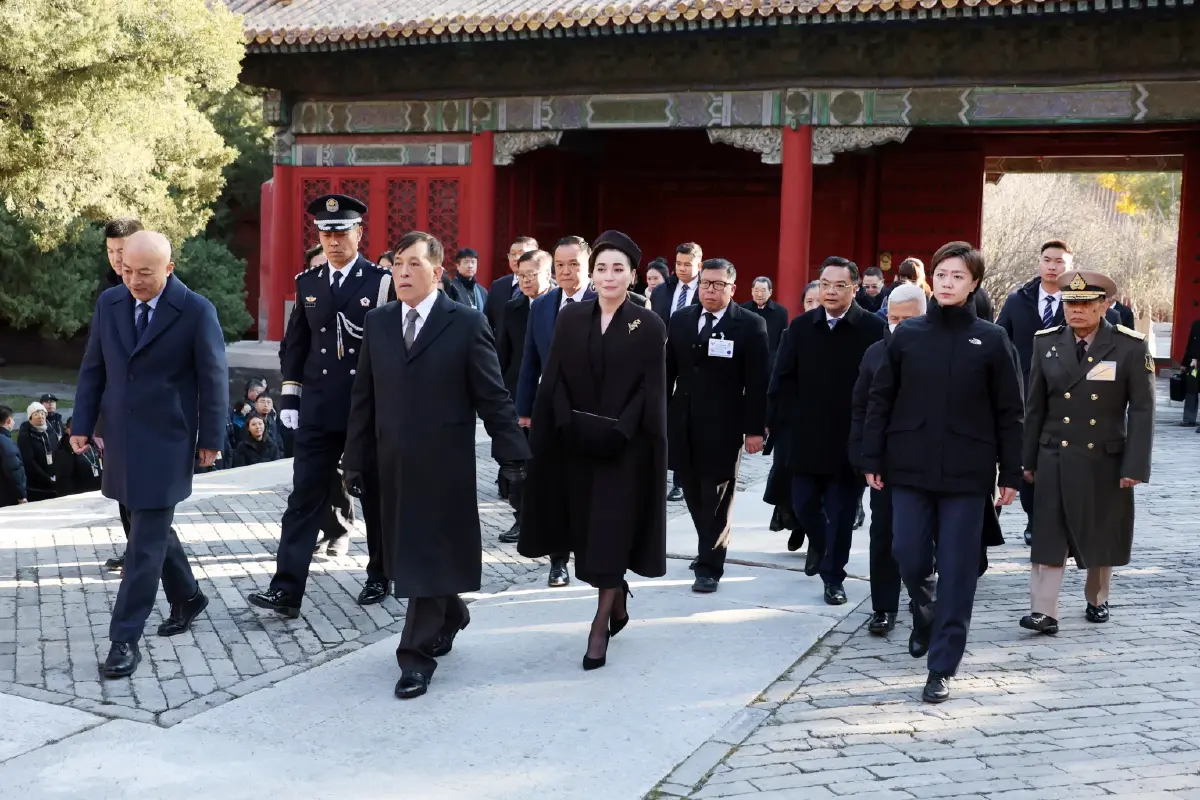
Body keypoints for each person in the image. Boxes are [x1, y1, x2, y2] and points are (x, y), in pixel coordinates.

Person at [344, 230, 530, 699]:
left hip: (444, 466)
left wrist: (514, 455)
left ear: (437, 272)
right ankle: (452, 612)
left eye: (413, 264)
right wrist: (355, 459)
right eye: (397, 264)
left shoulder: (465, 323)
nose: (402, 272)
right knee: (407, 552)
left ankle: (414, 656)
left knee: (425, 553)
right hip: (391, 463)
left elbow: (493, 396)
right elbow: (364, 398)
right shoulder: (379, 322)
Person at [861, 241, 1023, 704]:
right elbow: (880, 399)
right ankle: (925, 608)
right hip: (908, 464)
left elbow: (1011, 411)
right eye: (943, 275)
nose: (949, 283)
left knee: (957, 569)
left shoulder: (992, 339)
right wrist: (872, 457)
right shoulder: (908, 334)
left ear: (974, 283)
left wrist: (1011, 472)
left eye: (959, 276)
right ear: (932, 279)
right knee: (908, 555)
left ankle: (942, 666)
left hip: (967, 473)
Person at [72, 230, 227, 679]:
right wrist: (82, 423)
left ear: (168, 268)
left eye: (144, 272)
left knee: (142, 547)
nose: (134, 281)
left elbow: (214, 378)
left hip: (167, 442)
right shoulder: (110, 303)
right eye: (127, 271)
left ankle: (124, 638)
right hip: (121, 439)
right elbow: (94, 367)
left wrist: (211, 439)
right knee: (145, 529)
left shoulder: (196, 311)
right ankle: (188, 596)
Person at [519, 230, 668, 672]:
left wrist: (621, 432)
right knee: (586, 531)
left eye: (618, 269)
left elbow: (649, 391)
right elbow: (555, 377)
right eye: (602, 268)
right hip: (576, 443)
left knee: (610, 532)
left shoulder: (649, 325)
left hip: (624, 448)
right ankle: (616, 597)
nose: (608, 276)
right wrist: (565, 423)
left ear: (632, 276)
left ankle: (599, 625)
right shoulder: (571, 318)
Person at [249, 193, 396, 616]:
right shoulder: (308, 282)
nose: (333, 241)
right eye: (326, 234)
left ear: (359, 234)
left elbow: (389, 351)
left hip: (364, 409)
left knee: (373, 494)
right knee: (303, 498)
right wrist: (290, 396)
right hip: (316, 407)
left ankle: (380, 573)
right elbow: (296, 344)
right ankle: (286, 589)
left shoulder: (379, 282)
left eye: (342, 232)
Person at [1019, 270, 1155, 635]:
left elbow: (1142, 410)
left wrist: (1135, 465)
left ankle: (1097, 598)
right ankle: (1044, 611)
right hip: (1055, 454)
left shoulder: (1128, 346)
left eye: (1085, 304)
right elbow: (1035, 407)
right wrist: (1027, 460)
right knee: (1048, 534)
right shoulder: (1046, 343)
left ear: (1104, 305)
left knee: (1100, 530)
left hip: (1103, 458)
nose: (1075, 311)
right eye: (1070, 304)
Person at [769, 256, 886, 602]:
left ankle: (833, 577)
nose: (830, 291)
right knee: (803, 506)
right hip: (806, 436)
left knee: (841, 513)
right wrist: (778, 422)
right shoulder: (801, 327)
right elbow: (782, 379)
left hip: (850, 439)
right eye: (825, 284)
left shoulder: (872, 329)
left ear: (855, 288)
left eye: (839, 285)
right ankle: (821, 545)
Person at [667, 258, 769, 593]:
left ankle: (710, 566)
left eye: (718, 284)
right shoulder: (681, 319)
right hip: (683, 420)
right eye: (705, 283)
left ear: (732, 288)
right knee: (692, 491)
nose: (710, 290)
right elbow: (667, 371)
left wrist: (755, 429)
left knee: (717, 495)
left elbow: (757, 382)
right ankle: (706, 546)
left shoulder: (750, 325)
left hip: (725, 424)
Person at [848, 283, 926, 634]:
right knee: (883, 533)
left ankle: (921, 592)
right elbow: (860, 408)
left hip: (928, 461)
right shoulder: (875, 353)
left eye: (907, 320)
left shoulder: (940, 353)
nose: (898, 326)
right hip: (886, 462)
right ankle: (883, 606)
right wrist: (865, 457)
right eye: (893, 319)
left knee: (922, 535)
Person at [997, 239, 1070, 544]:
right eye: (1047, 260)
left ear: (1070, 265)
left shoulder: (1077, 302)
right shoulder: (1018, 300)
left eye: (1059, 261)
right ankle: (1033, 519)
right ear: (1039, 263)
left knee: (1057, 459)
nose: (1052, 266)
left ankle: (1052, 519)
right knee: (1028, 457)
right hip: (1023, 391)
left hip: (1065, 395)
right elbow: (1000, 341)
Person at [95, 217, 144, 571]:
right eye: (110, 250)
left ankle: (143, 555)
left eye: (122, 250)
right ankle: (134, 549)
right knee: (122, 489)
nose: (116, 258)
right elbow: (96, 358)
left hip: (150, 411)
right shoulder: (107, 291)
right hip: (115, 408)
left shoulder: (159, 287)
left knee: (145, 493)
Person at [651, 242, 703, 502]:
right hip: (662, 360)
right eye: (678, 264)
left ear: (699, 265)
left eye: (687, 264)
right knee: (661, 417)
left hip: (691, 363)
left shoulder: (706, 289)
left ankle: (681, 480)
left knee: (685, 421)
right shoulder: (663, 290)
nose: (682, 269)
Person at [483, 236, 538, 340]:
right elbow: (486, 322)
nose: (516, 258)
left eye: (522, 253)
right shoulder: (498, 286)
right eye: (512, 254)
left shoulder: (547, 287)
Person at [741, 276, 789, 368]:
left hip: (771, 363)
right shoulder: (742, 310)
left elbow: (783, 340)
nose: (759, 294)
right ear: (752, 291)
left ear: (770, 292)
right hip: (747, 360)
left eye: (763, 291)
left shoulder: (780, 312)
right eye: (756, 290)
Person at [18, 402, 61, 502]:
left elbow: (57, 452)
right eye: (36, 414)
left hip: (55, 479)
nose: (40, 416)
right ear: (30, 418)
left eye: (42, 413)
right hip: (37, 484)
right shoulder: (25, 435)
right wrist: (46, 478)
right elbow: (29, 461)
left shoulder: (51, 431)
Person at [55, 417, 103, 496]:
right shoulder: (65, 450)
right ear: (68, 431)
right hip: (79, 495)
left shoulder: (91, 444)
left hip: (97, 492)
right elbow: (64, 480)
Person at [0, 406, 28, 507]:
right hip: (7, 496)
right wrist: (21, 494)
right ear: (9, 420)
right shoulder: (5, 442)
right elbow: (13, 470)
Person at [1183, 312, 1200, 429]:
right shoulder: (1196, 325)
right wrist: (1185, 362)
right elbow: (1190, 344)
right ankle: (1189, 419)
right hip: (1195, 363)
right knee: (1191, 390)